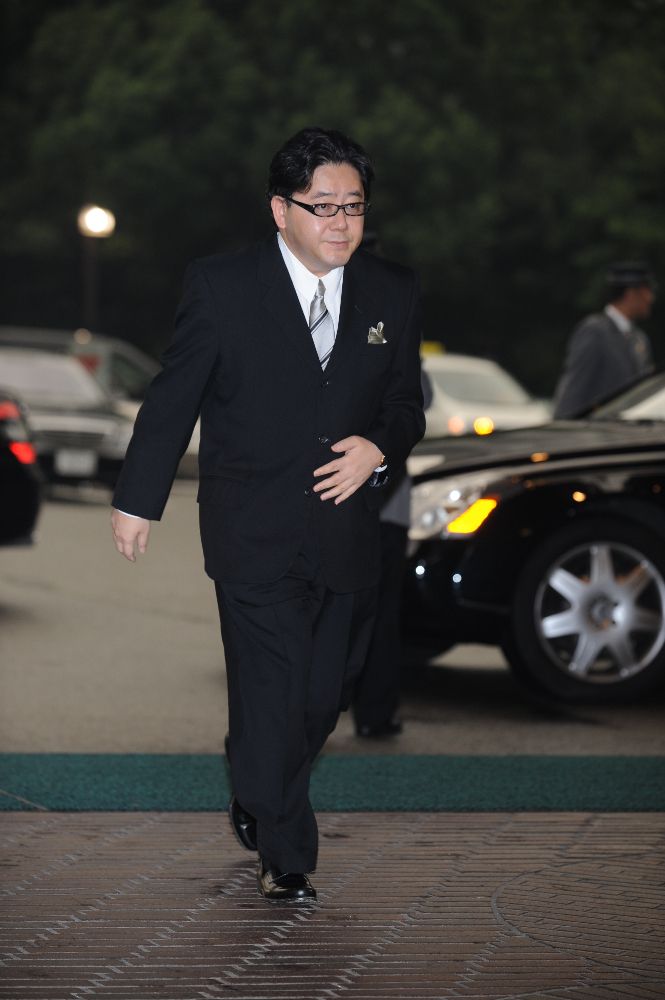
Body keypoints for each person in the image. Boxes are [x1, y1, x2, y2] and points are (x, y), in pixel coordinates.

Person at [110, 127, 425, 904]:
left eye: (353, 206)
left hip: (346, 529)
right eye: (323, 207)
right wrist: (137, 501)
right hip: (250, 527)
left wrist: (377, 448)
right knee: (276, 691)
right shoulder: (222, 286)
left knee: (321, 697)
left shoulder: (391, 290)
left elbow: (403, 405)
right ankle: (286, 854)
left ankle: (255, 772)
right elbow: (174, 397)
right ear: (281, 210)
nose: (341, 223)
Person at [352, 369, 432, 739]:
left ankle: (329, 707)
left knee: (357, 611)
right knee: (379, 613)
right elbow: (418, 398)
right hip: (382, 509)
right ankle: (374, 713)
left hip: (364, 505)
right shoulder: (393, 338)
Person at [553, 261, 656, 419]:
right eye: (646, 292)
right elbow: (574, 390)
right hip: (598, 431)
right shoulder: (595, 332)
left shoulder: (639, 338)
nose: (651, 298)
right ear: (631, 294)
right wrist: (563, 427)